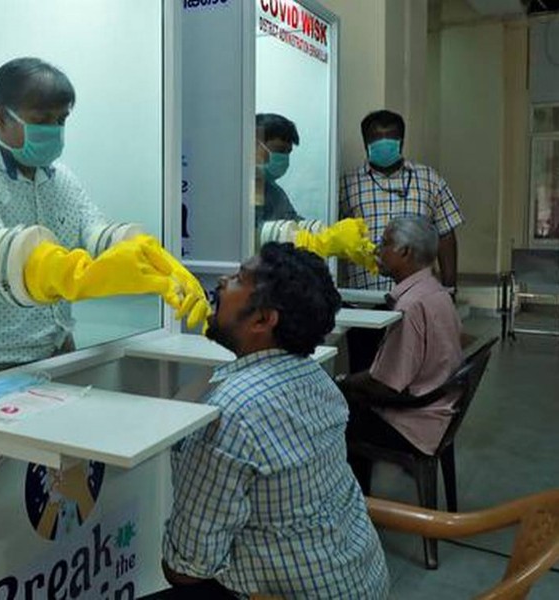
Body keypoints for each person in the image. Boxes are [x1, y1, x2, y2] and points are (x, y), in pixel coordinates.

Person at [0, 57, 208, 380]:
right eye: (42, 119)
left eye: (61, 120)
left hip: (57, 350)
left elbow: (95, 234)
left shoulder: (60, 178)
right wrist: (83, 276)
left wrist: (142, 252)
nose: (54, 130)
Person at [159, 243, 389, 599]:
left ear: (264, 320)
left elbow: (186, 569)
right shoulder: (317, 380)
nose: (221, 282)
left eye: (237, 279)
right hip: (362, 585)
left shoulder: (232, 414)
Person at [337, 216, 463, 493]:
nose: (377, 251)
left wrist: (341, 382)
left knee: (334, 415)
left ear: (405, 252)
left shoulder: (411, 305)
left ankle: (356, 509)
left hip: (418, 422)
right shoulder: (434, 291)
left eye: (385, 244)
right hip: (440, 408)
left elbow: (384, 382)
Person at [339, 110, 463, 293]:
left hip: (420, 297)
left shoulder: (429, 179)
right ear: (366, 143)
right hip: (363, 297)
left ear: (401, 142)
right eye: (376, 140)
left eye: (389, 139)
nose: (383, 145)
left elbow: (445, 236)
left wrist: (450, 289)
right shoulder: (346, 185)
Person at [254, 113, 302, 225]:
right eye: (280, 150)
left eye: (288, 152)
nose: (284, 158)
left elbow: (293, 223)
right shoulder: (230, 190)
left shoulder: (274, 193)